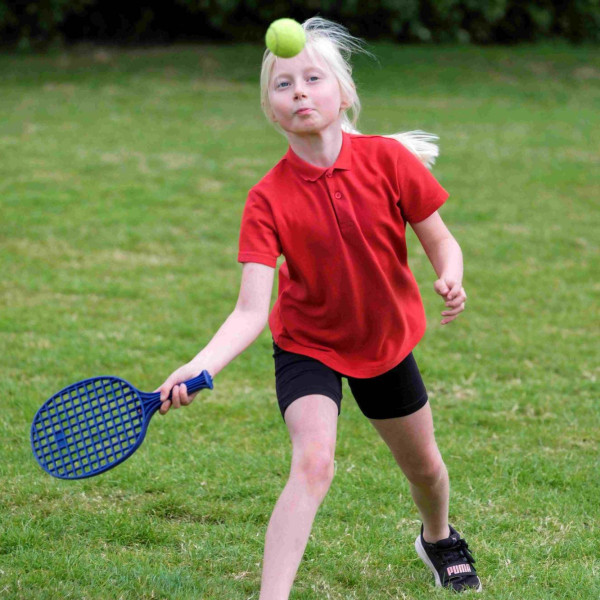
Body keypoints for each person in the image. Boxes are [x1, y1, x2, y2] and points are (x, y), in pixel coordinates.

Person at [155, 16, 482, 598]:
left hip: (383, 342)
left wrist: (450, 277)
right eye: (284, 84)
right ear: (271, 110)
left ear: (344, 94)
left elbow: (441, 240)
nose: (300, 90)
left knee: (426, 469)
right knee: (313, 464)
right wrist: (199, 364)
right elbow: (250, 312)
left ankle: (438, 537)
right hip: (309, 346)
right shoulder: (266, 199)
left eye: (312, 78)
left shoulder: (387, 161)